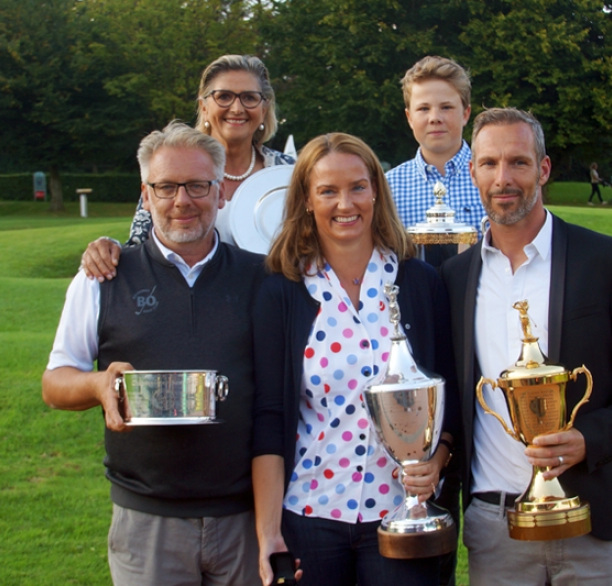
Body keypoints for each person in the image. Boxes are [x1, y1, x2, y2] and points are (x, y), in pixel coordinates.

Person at [440, 108, 612, 585]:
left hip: (594, 520)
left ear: (543, 169)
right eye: (489, 164)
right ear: (472, 172)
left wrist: (590, 439)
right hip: (496, 528)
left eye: (518, 162)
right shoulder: (454, 278)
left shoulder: (606, 260)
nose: (503, 179)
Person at [42, 121, 265, 586]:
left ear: (221, 192)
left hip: (246, 517)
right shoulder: (104, 278)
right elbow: (55, 382)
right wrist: (98, 385)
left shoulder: (262, 278)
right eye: (166, 187)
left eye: (197, 185)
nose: (182, 201)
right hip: (146, 522)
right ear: (146, 196)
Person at [251, 133, 460, 586]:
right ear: (307, 200)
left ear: (376, 192)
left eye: (358, 187)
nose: (345, 204)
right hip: (311, 513)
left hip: (403, 512)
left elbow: (450, 396)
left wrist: (438, 459)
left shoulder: (420, 282)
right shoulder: (282, 291)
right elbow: (269, 416)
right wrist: (268, 533)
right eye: (328, 190)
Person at [82, 54, 294, 281]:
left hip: (275, 297)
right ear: (204, 107)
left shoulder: (289, 172)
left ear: (264, 109)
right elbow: (140, 245)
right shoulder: (173, 168)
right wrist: (107, 248)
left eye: (249, 98)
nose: (236, 108)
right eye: (224, 97)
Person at [386, 56, 485, 268]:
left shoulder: (492, 178)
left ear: (466, 113)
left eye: (446, 107)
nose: (435, 118)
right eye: (423, 109)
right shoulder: (387, 188)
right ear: (409, 117)